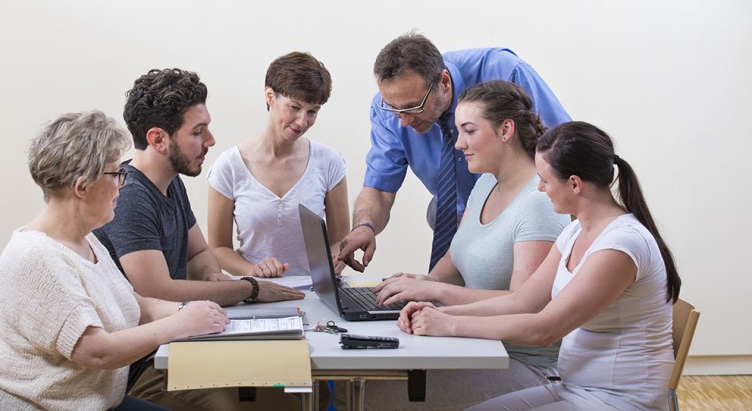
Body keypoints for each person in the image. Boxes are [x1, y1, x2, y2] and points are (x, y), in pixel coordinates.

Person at [398, 121, 682, 410]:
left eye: (545, 179)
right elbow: (522, 302)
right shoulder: (575, 232)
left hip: (620, 401)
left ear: (574, 183)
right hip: (575, 389)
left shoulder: (621, 245)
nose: (540, 187)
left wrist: (449, 324)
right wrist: (437, 312)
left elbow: (544, 330)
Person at [94, 68, 305, 410]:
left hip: (176, 342)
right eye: (198, 131)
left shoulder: (170, 182)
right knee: (238, 404)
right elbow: (155, 290)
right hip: (139, 367)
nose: (210, 140)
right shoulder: (131, 197)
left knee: (285, 393)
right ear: (159, 139)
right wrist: (247, 288)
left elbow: (200, 252)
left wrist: (212, 277)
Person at [0, 111, 229, 411]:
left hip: (100, 402)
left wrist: (195, 312)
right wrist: (180, 324)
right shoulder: (37, 258)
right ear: (82, 187)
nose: (123, 183)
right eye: (115, 173)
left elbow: (137, 304)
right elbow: (96, 352)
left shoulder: (85, 239)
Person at [338, 32, 571, 272]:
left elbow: (567, 156)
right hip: (456, 218)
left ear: (444, 82)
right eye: (394, 109)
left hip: (520, 220)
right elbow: (379, 188)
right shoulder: (387, 110)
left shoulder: (504, 71)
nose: (404, 121)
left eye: (413, 107)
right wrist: (364, 226)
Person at [207, 52, 349, 278]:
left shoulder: (329, 162)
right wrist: (253, 270)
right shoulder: (229, 166)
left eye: (312, 112)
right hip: (256, 293)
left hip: (316, 292)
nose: (303, 121)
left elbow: (340, 241)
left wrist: (335, 262)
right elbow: (218, 249)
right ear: (269, 96)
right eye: (294, 107)